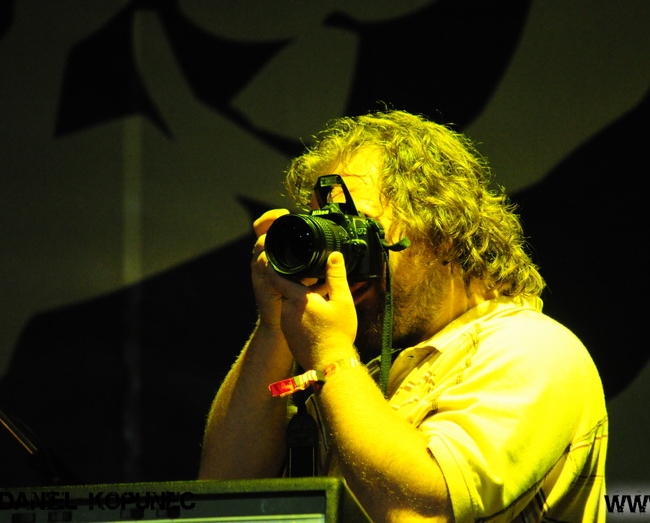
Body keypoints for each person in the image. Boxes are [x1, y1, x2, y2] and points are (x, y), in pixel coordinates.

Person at [198, 110, 608, 522]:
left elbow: (419, 513)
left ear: (444, 234)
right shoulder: (369, 371)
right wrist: (275, 326)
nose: (338, 255)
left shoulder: (532, 350)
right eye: (328, 226)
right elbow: (222, 499)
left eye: (360, 229)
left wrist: (332, 356)